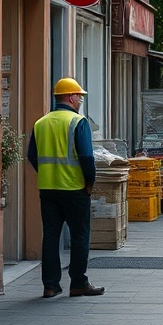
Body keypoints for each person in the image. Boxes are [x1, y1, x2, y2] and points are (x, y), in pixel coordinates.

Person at [27, 77, 104, 298]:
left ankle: (50, 285)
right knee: (80, 235)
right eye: (79, 96)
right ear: (70, 97)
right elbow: (87, 157)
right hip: (74, 188)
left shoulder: (40, 123)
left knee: (50, 235)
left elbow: (32, 156)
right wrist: (89, 183)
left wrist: (47, 174)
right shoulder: (77, 122)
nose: (80, 100)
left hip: (48, 189)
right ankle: (78, 282)